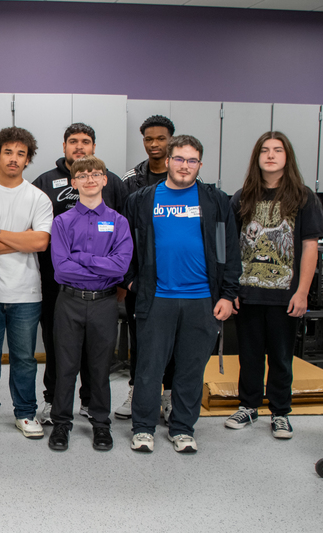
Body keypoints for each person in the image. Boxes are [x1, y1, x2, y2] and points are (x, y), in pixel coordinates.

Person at [124, 134, 240, 454]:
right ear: (168, 161)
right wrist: (132, 280)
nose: (185, 166)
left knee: (190, 368)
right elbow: (126, 244)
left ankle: (183, 428)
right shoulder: (143, 200)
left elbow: (228, 249)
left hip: (202, 299)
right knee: (149, 367)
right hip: (156, 297)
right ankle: (144, 428)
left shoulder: (215, 201)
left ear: (199, 165)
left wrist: (227, 295)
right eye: (179, 159)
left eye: (192, 160)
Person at [226, 131, 323, 439]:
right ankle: (249, 406)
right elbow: (230, 246)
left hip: (285, 294)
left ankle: (280, 412)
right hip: (248, 292)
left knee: (281, 356)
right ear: (257, 158)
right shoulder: (242, 197)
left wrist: (302, 291)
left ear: (287, 157)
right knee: (249, 354)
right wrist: (231, 291)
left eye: (277, 150)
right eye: (265, 150)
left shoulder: (303, 197)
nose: (270, 155)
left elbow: (310, 246)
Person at [31, 123, 126, 424]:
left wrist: (85, 260)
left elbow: (123, 246)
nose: (79, 146)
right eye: (73, 141)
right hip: (58, 286)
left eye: (86, 141)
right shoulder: (44, 181)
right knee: (60, 351)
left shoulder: (114, 187)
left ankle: (90, 404)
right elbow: (41, 238)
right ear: (64, 147)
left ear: (94, 147)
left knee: (97, 355)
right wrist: (87, 263)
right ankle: (54, 403)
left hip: (104, 291)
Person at [0, 126, 52, 440]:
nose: (14, 159)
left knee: (25, 359)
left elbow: (41, 242)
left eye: (21, 153)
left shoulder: (37, 198)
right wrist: (22, 240)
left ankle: (26, 413)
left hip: (26, 293)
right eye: (8, 152)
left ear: (27, 160)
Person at [48, 156, 132, 452]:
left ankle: (101, 424)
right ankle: (61, 423)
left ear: (105, 179)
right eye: (82, 175)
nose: (90, 179)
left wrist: (80, 258)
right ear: (74, 183)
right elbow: (61, 268)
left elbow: (120, 267)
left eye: (96, 174)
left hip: (104, 303)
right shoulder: (62, 222)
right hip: (69, 301)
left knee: (99, 368)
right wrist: (100, 263)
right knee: (66, 366)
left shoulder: (119, 222)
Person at [117, 115, 177, 422]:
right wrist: (126, 278)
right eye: (149, 139)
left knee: (173, 341)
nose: (154, 144)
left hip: (175, 276)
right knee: (140, 339)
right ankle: (138, 392)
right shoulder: (131, 181)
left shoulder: (185, 176)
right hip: (140, 277)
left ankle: (168, 396)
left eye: (161, 139)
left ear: (171, 140)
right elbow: (120, 232)